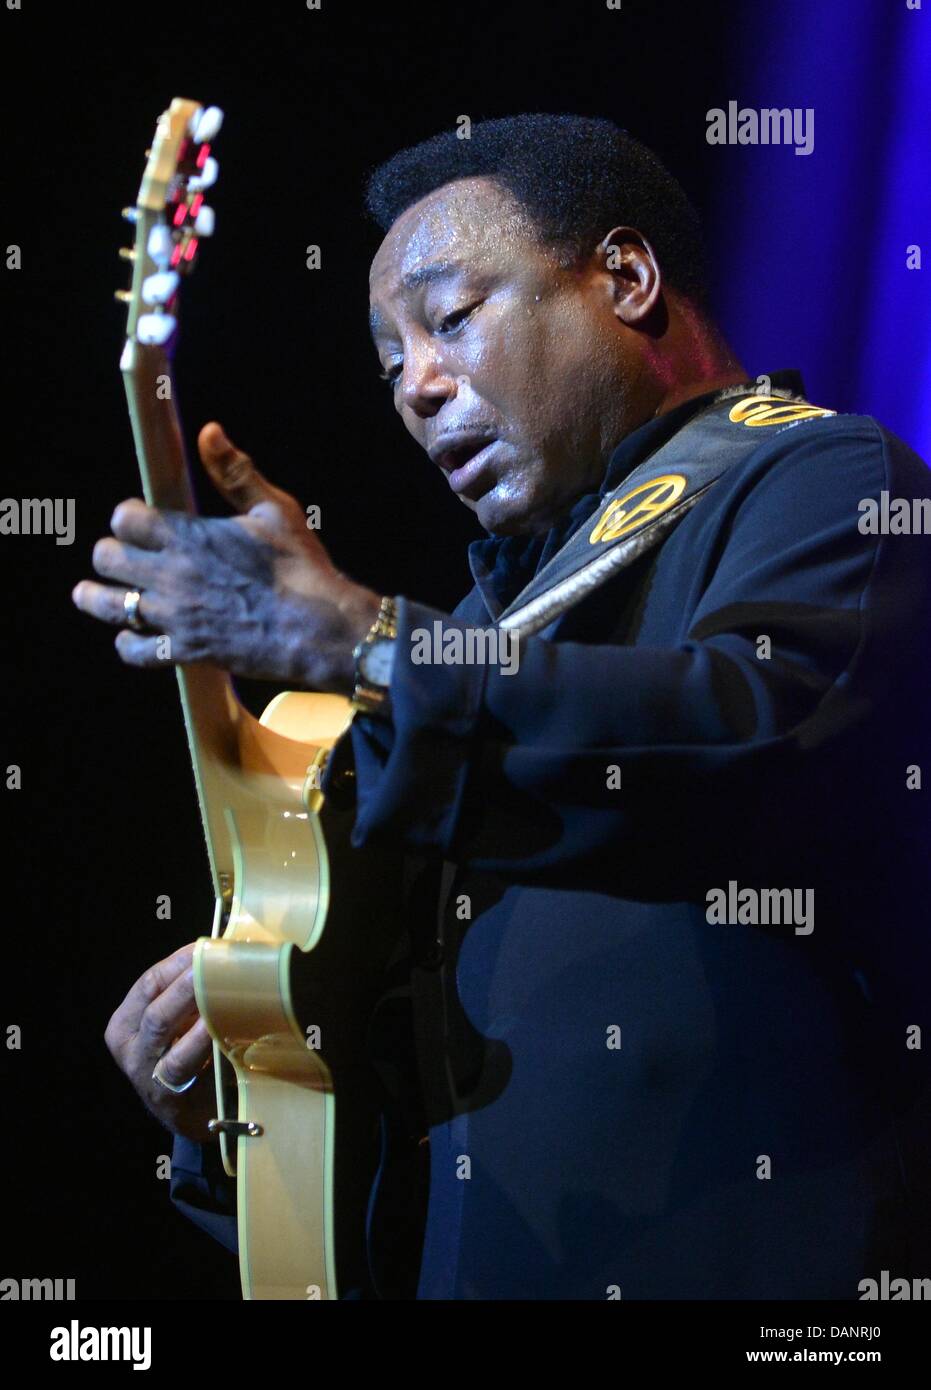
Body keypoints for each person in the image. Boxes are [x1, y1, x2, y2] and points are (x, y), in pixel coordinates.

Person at [75, 114, 931, 1300]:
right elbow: (374, 1133)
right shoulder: (475, 644)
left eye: (451, 320)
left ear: (625, 279)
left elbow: (754, 726)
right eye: (389, 366)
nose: (417, 388)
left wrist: (366, 642)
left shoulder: (828, 478)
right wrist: (229, 1096)